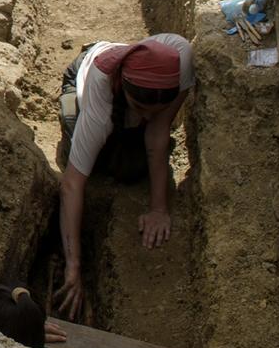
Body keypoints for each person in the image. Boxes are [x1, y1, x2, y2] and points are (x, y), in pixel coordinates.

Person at [51, 35, 195, 322]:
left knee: (131, 169)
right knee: (90, 157)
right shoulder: (100, 98)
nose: (146, 117)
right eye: (140, 109)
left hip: (136, 86)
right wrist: (73, 267)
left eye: (151, 113)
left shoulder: (181, 60)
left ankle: (125, 131)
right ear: (123, 90)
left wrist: (158, 209)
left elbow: (158, 130)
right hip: (86, 78)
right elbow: (72, 183)